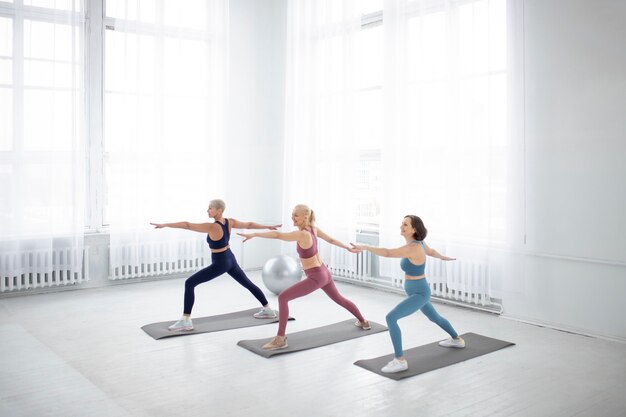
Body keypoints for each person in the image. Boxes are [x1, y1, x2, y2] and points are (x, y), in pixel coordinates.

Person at [238, 204, 370, 350]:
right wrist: (347, 248)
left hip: (316, 276)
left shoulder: (302, 234)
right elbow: (331, 240)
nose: (292, 217)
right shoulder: (313, 229)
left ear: (305, 217)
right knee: (339, 299)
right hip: (324, 272)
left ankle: (280, 339)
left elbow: (278, 235)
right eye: (292, 214)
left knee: (283, 297)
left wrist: (255, 234)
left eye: (296, 215)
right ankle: (363, 321)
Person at [350, 215, 464, 374]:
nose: (401, 227)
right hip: (417, 290)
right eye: (401, 223)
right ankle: (457, 340)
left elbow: (388, 253)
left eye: (405, 225)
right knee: (434, 317)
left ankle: (400, 360)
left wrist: (365, 247)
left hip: (419, 292)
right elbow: (431, 251)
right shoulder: (419, 244)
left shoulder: (414, 248)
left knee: (391, 318)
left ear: (414, 229)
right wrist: (443, 257)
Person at [150, 199, 281, 331]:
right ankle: (268, 309)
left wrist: (165, 224)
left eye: (210, 208)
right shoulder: (230, 222)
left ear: (219, 210)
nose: (207, 211)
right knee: (247, 283)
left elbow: (187, 225)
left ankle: (186, 321)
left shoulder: (213, 226)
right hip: (230, 258)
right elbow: (249, 224)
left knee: (190, 283)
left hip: (221, 262)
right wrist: (267, 227)